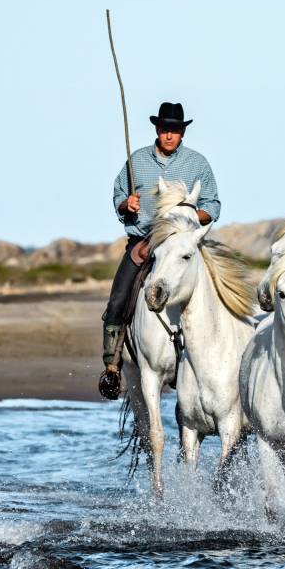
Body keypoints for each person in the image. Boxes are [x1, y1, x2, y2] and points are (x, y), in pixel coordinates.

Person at [99, 102, 221, 395]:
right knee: (118, 299)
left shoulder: (198, 164)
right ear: (157, 129)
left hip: (186, 243)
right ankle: (112, 366)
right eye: (165, 130)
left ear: (182, 133)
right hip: (145, 240)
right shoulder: (136, 161)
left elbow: (213, 206)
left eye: (175, 130)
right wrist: (126, 204)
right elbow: (117, 194)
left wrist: (189, 214)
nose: (170, 135)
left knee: (220, 291)